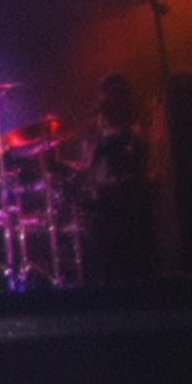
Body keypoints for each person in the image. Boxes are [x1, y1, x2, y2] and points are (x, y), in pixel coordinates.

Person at [77, 72, 155, 282]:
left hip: (128, 215)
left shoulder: (134, 135)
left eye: (112, 93)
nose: (106, 99)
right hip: (102, 213)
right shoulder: (95, 135)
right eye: (104, 93)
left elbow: (137, 172)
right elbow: (89, 171)